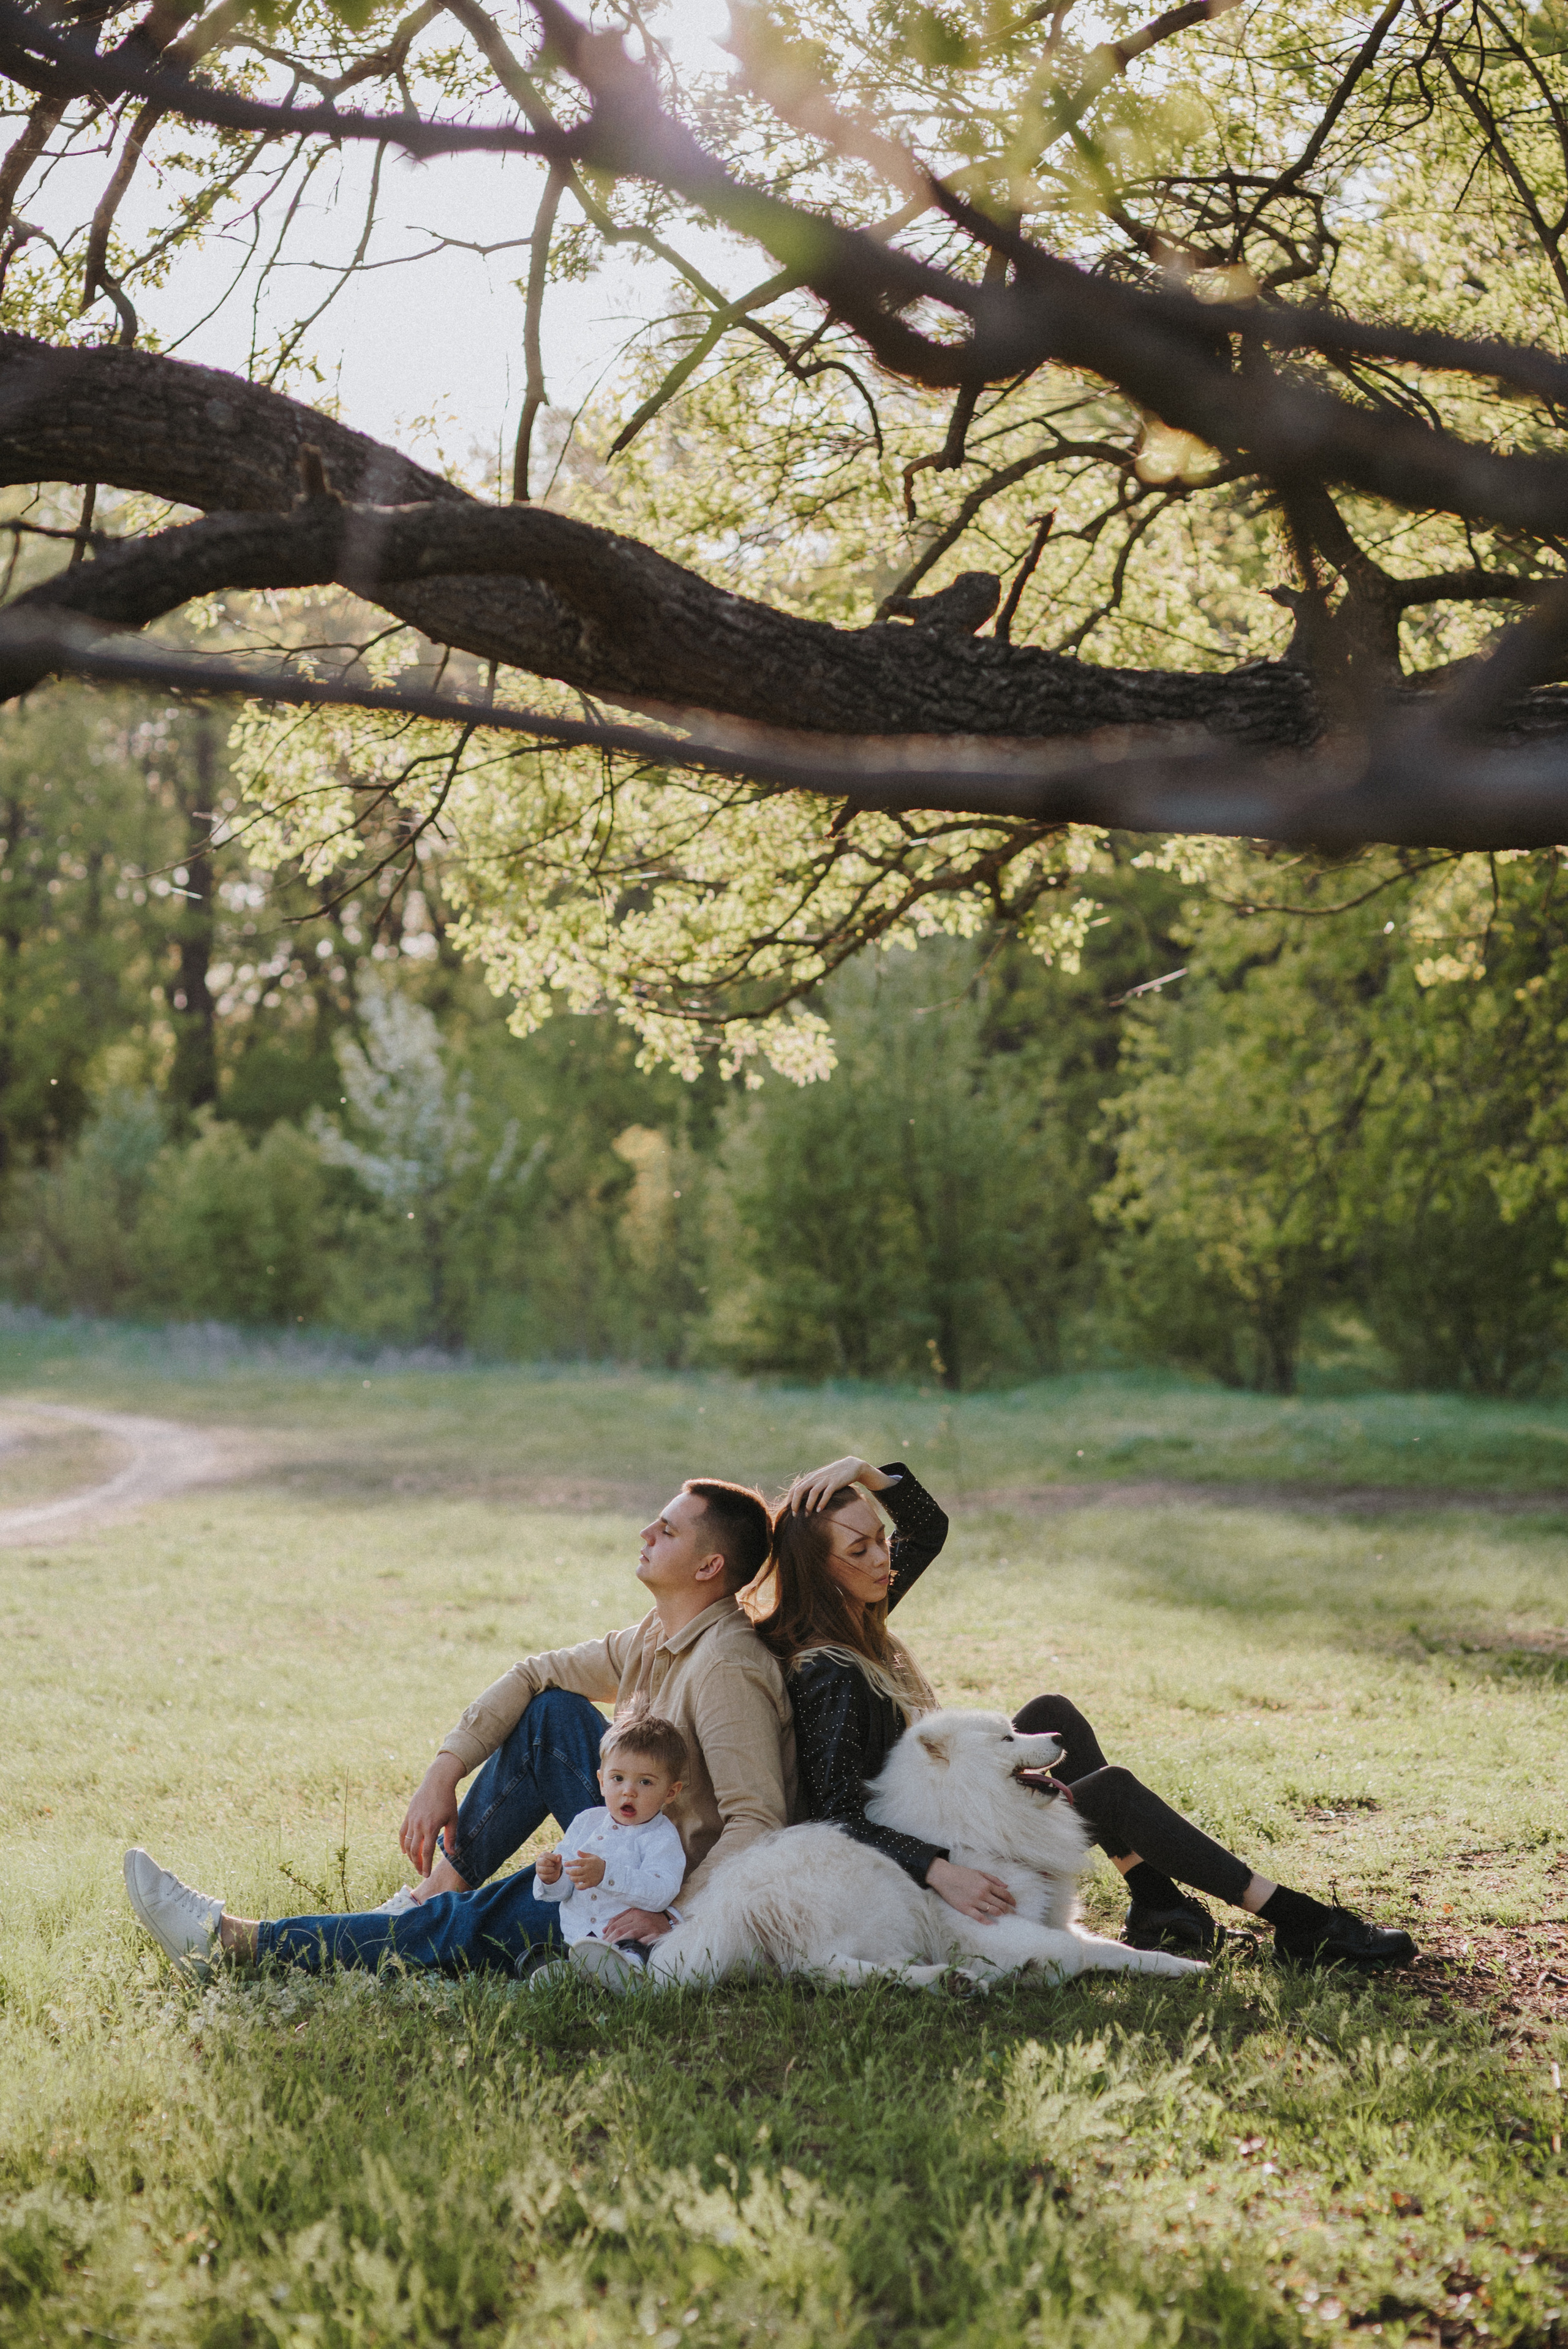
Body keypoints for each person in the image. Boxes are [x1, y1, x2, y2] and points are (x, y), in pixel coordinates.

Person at [753, 1454, 1416, 1970]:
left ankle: (1156, 1902)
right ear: (821, 1572)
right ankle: (1298, 1921)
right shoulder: (829, 1672)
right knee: (1112, 1794)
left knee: (1051, 1714)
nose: (883, 1559)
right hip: (918, 1844)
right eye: (860, 1550)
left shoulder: (857, 1616)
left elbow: (927, 1528)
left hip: (938, 1809)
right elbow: (838, 1810)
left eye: (877, 1538)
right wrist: (938, 1869)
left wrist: (863, 1471)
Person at [124, 1477, 794, 1987]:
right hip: (624, 1835)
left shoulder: (727, 1668)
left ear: (710, 1568)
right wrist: (444, 1769)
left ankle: (231, 1942)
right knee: (549, 1715)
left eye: (668, 1531)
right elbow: (534, 1674)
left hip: (648, 1893)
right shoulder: (659, 1633)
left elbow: (755, 1820)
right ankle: (433, 1890)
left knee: (463, 1928)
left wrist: (672, 1919)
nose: (645, 1532)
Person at [529, 1712, 689, 1989]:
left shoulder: (661, 1837)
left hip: (627, 1938)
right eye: (618, 1778)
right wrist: (552, 1877)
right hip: (576, 1937)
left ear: (671, 1793)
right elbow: (563, 1891)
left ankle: (627, 1976)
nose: (629, 1792)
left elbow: (662, 1892)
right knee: (537, 1954)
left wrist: (607, 1875)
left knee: (636, 1953)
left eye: (645, 1782)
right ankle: (571, 1972)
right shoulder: (586, 1823)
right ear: (602, 1781)